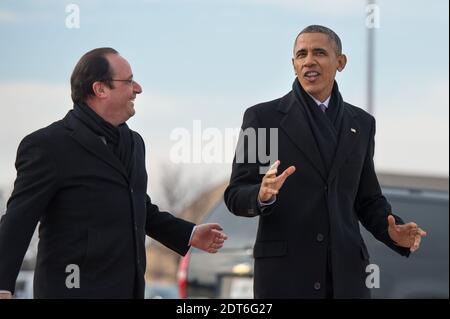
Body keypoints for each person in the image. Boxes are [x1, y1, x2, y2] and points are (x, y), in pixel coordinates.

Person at [0, 48, 227, 299]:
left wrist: (190, 234)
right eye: (129, 81)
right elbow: (18, 220)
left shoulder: (134, 143)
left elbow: (138, 207)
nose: (138, 88)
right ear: (100, 89)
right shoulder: (49, 145)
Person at [224, 25, 426, 298]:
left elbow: (367, 199)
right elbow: (236, 193)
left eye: (319, 52)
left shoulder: (362, 124)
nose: (309, 60)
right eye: (301, 54)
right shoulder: (263, 119)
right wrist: (260, 194)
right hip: (285, 277)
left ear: (340, 62)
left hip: (347, 277)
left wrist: (394, 232)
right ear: (294, 65)